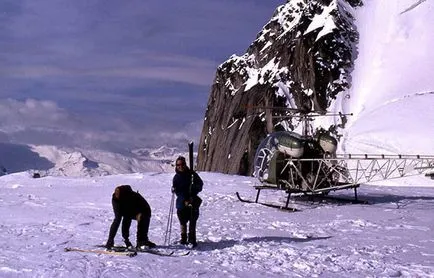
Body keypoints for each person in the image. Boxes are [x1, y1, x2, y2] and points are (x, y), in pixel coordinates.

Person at [105, 185, 156, 249]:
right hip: (129, 208)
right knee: (118, 218)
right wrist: (110, 239)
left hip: (143, 209)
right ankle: (111, 241)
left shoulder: (131, 197)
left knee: (142, 217)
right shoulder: (115, 200)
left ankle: (142, 241)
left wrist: (126, 239)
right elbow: (117, 220)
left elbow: (127, 219)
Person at [172, 156, 203, 247]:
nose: (180, 166)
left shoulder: (193, 175)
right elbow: (177, 190)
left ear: (185, 164)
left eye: (182, 164)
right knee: (182, 221)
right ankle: (184, 238)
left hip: (192, 201)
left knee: (193, 220)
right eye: (178, 165)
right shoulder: (176, 178)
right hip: (182, 202)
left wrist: (194, 190)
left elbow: (200, 185)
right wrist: (175, 190)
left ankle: (192, 239)